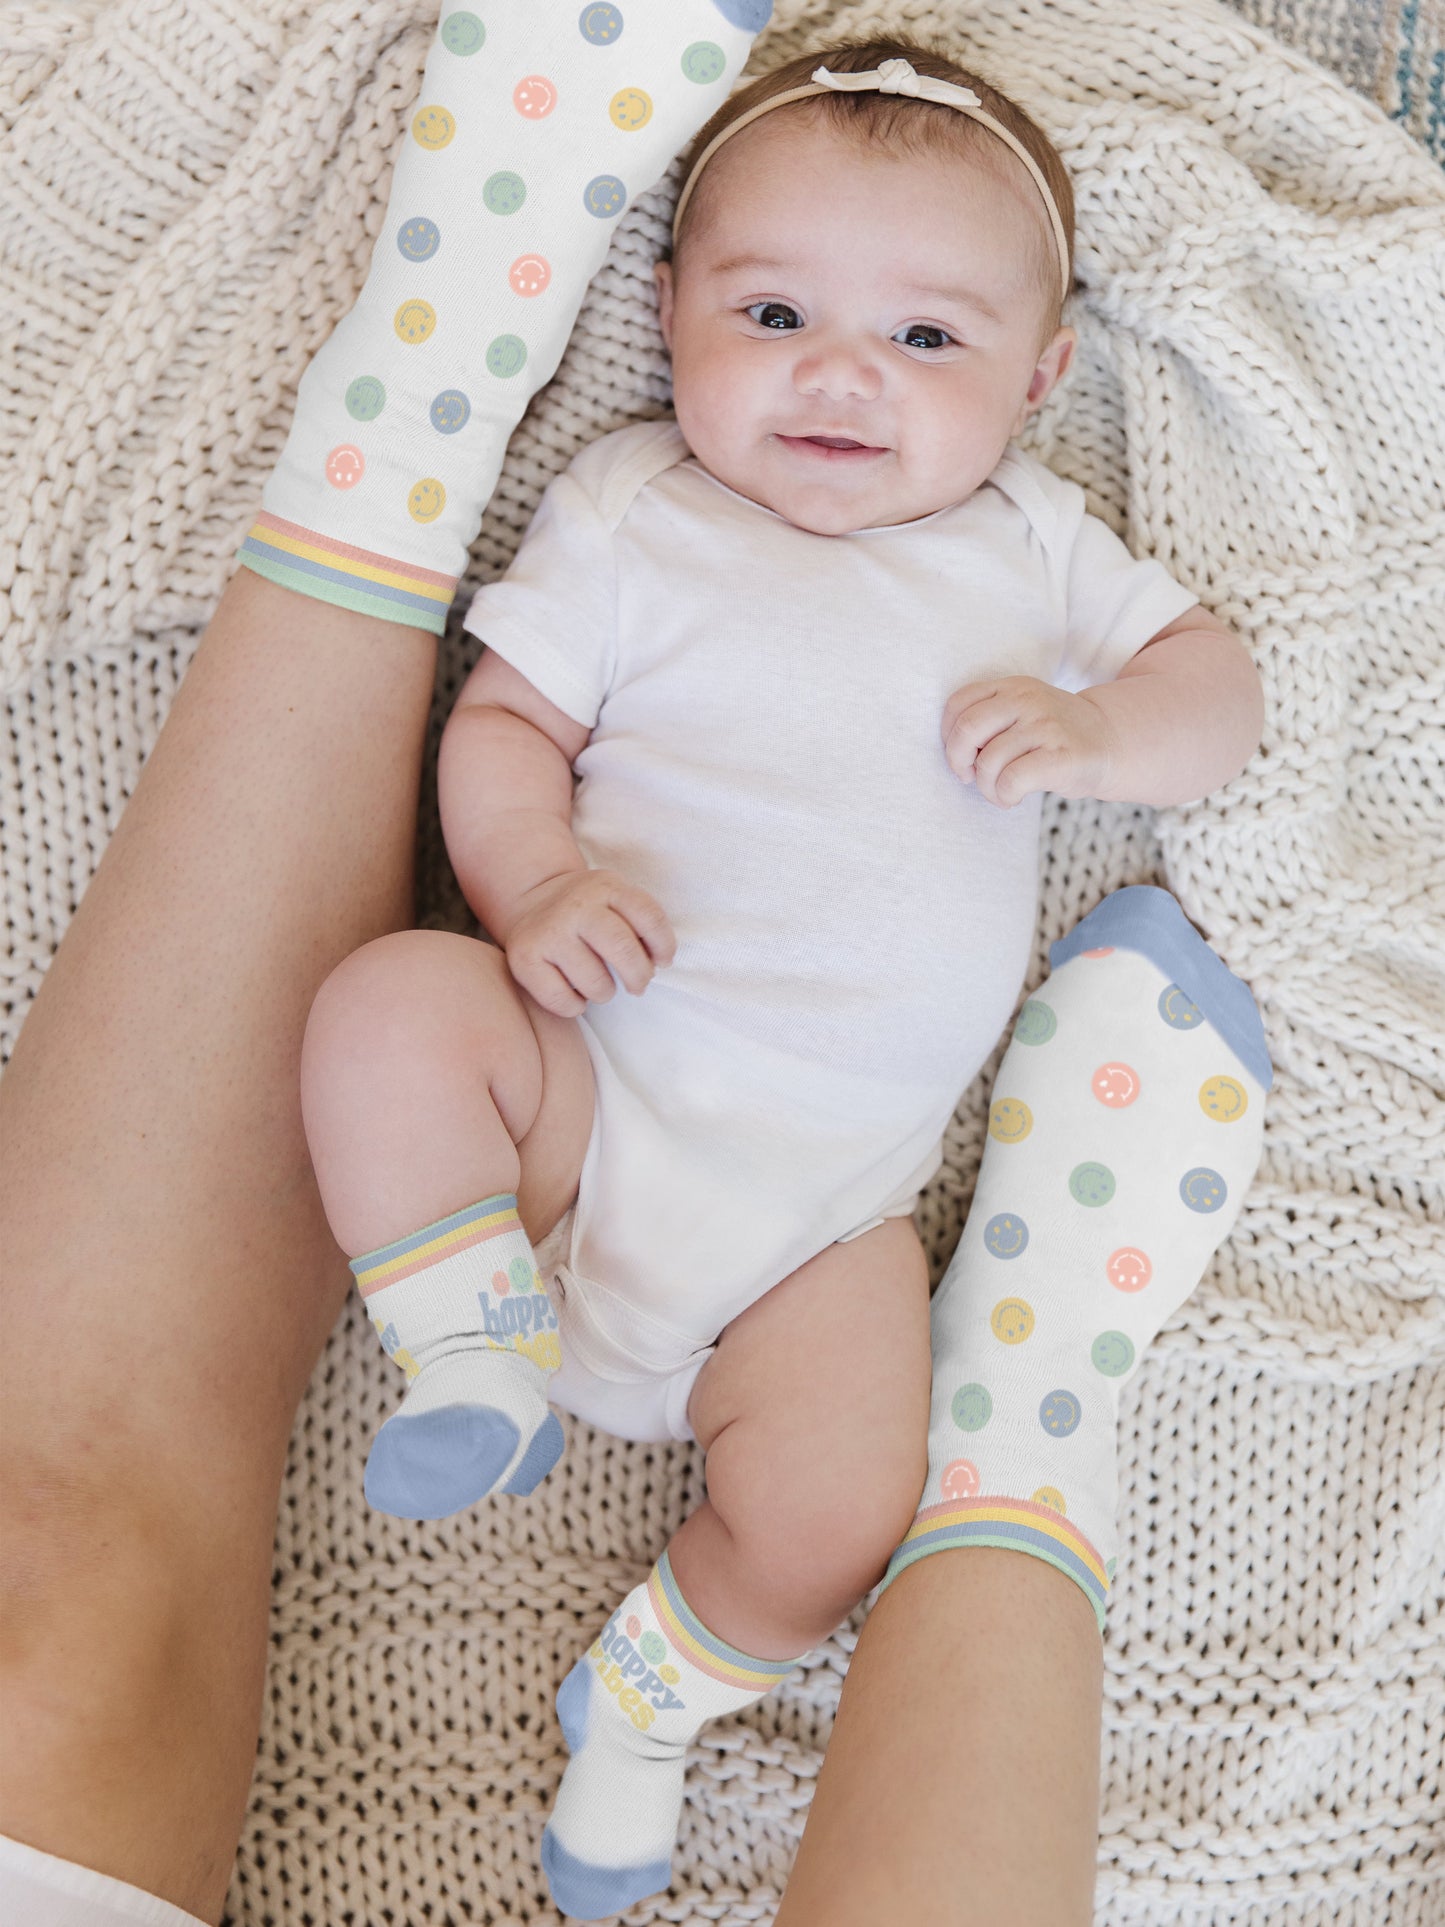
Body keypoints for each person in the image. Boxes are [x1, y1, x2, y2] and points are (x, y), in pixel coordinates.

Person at [0, 18, 1268, 1927]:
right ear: (665, 310)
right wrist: (534, 885)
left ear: (1043, 374)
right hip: (585, 1102)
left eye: (926, 339)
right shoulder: (630, 514)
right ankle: (466, 1345)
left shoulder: (1034, 549)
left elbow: (1215, 694)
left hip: (817, 1238)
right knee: (394, 1007)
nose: (839, 373)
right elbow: (500, 728)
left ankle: (647, 1708)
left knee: (840, 1503)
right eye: (770, 313)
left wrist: (1102, 744)